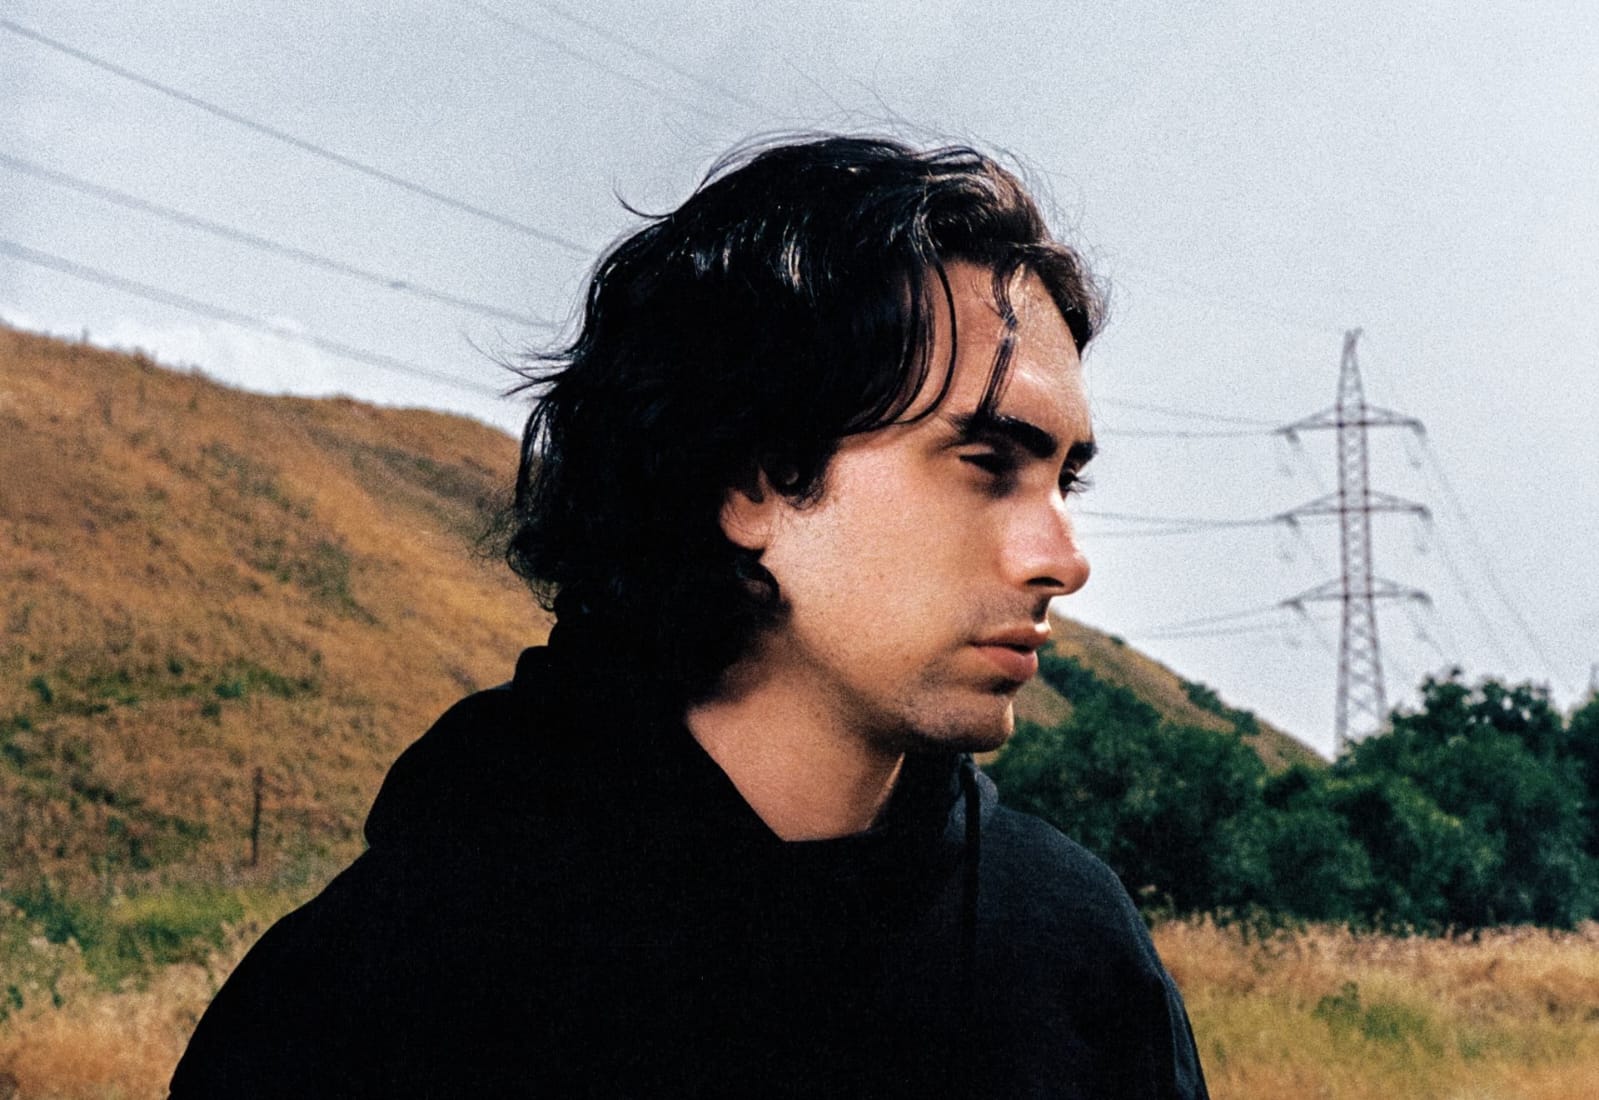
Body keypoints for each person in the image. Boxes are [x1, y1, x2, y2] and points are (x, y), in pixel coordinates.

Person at [171, 135, 1209, 1098]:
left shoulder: (1072, 954)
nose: (1061, 558)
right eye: (987, 464)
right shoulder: (383, 987)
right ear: (752, 479)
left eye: (1065, 478)